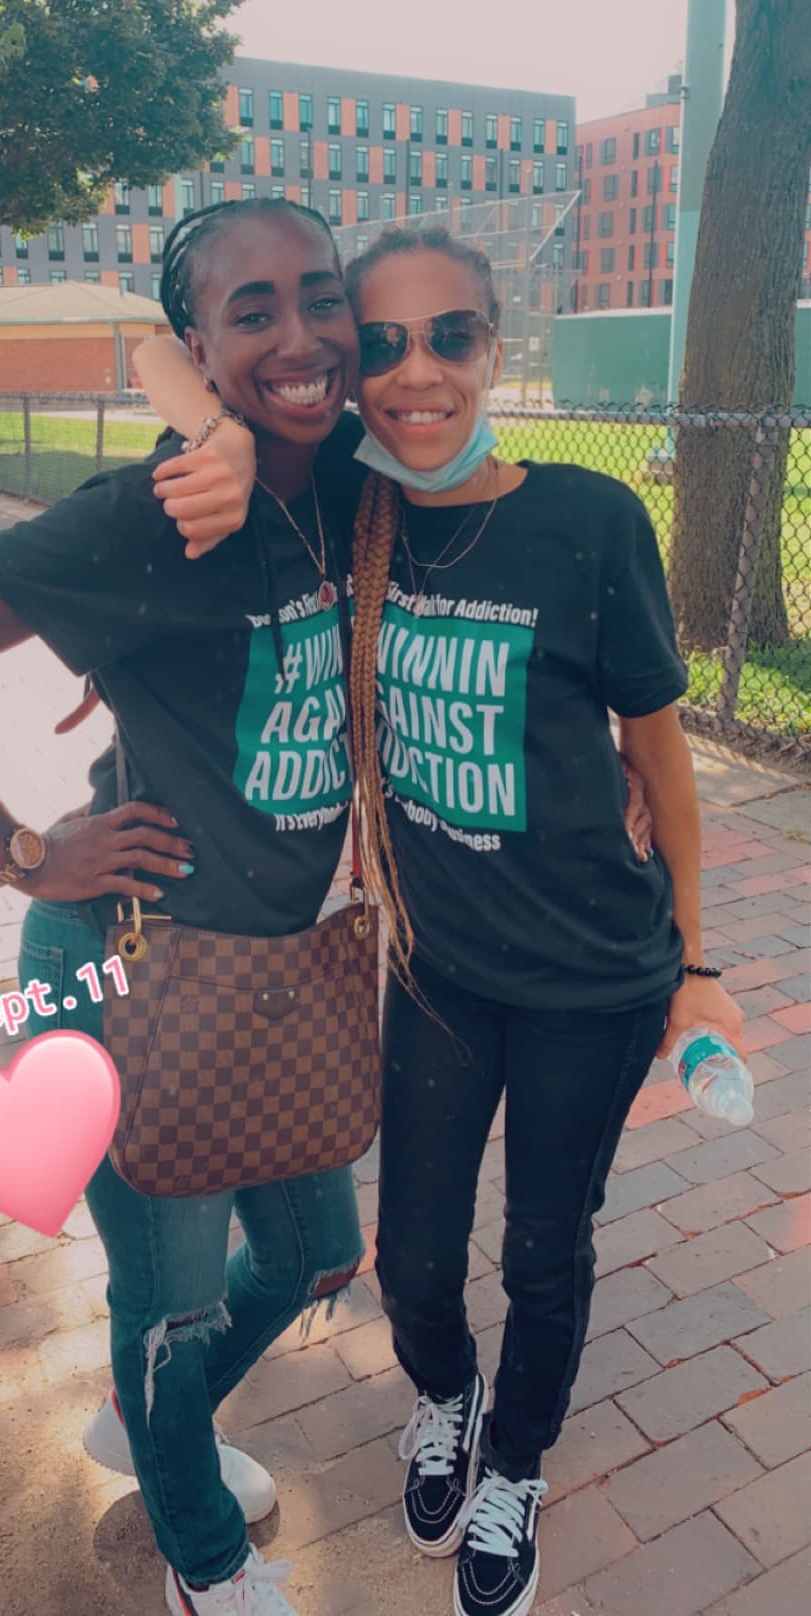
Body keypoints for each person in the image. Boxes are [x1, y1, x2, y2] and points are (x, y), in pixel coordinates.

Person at [136, 224, 744, 1616]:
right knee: (409, 1256)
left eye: (450, 337)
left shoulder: (591, 523)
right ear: (355, 368)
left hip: (592, 980)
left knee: (545, 1249)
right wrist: (215, 441)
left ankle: (517, 1462)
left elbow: (661, 760)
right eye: (383, 343)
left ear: (495, 347)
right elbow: (153, 344)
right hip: (436, 968)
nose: (416, 373)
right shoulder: (359, 493)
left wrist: (697, 963)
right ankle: (450, 1399)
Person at [0, 197, 371, 1616]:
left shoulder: (337, 478)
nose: (299, 334)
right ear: (196, 341)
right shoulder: (151, 515)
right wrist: (21, 854)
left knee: (322, 1250)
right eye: (249, 310)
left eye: (319, 296)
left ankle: (151, 1421)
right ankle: (205, 1561)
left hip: (279, 974)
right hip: (128, 971)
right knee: (172, 1302)